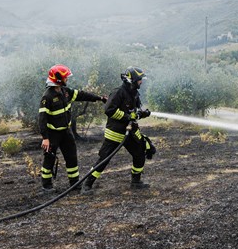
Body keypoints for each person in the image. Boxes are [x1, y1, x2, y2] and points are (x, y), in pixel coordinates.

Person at [83, 66, 155, 192]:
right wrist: (128, 116)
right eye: (139, 80)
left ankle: (136, 182)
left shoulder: (134, 93)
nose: (141, 82)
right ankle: (87, 184)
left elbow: (137, 109)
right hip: (115, 132)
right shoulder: (118, 92)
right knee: (104, 159)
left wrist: (142, 113)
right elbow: (109, 110)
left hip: (130, 132)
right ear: (132, 80)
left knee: (139, 153)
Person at [38, 64, 106, 193]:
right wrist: (45, 138)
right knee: (49, 159)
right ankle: (47, 186)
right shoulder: (47, 97)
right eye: (65, 77)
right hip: (53, 134)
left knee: (72, 157)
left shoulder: (65, 91)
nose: (67, 79)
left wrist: (99, 98)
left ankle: (74, 184)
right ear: (58, 78)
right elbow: (42, 119)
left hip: (66, 132)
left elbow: (82, 95)